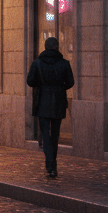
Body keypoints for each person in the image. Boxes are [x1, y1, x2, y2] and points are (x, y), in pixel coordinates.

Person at [27, 36, 75, 177]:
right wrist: (60, 88)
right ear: (57, 47)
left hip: (43, 101)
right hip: (58, 100)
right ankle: (53, 162)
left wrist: (42, 84)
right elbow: (71, 82)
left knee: (45, 134)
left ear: (45, 47)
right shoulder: (64, 63)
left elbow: (30, 81)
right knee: (55, 134)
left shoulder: (37, 63)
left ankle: (49, 161)